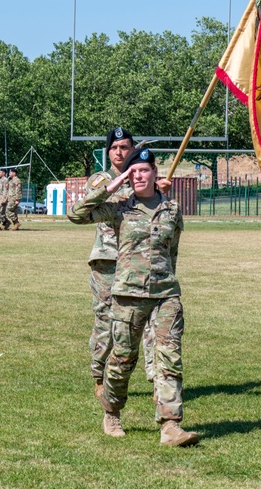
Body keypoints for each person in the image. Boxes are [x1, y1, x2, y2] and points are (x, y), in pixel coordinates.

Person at [68, 147, 198, 447]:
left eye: (143, 170)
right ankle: (111, 411)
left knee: (169, 357)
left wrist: (168, 283)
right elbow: (76, 215)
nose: (138, 176)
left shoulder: (171, 210)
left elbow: (172, 252)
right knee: (123, 359)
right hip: (127, 295)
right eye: (132, 172)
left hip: (165, 295)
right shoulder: (119, 208)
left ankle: (170, 425)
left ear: (155, 173)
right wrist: (111, 186)